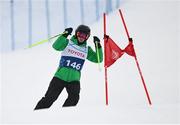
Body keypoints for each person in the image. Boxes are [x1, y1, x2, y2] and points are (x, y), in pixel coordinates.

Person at [34, 25, 103, 110]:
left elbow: (98, 59)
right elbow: (56, 46)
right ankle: (37, 115)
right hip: (60, 77)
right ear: (76, 34)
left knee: (74, 99)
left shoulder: (86, 50)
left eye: (84, 35)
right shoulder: (68, 43)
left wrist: (98, 46)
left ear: (87, 37)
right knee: (50, 98)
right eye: (80, 34)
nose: (81, 37)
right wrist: (64, 35)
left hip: (74, 80)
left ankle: (65, 116)